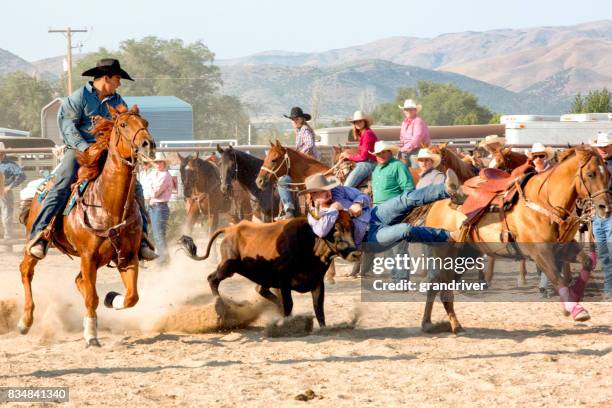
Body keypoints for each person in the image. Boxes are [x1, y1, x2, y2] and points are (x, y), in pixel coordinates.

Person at [27, 58, 157, 260]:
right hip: (79, 151)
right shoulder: (78, 98)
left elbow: (125, 126)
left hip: (107, 152)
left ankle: (142, 239)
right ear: (106, 78)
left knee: (135, 187)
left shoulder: (117, 101)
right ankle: (40, 235)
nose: (119, 83)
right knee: (62, 183)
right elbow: (67, 127)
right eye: (117, 79)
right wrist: (85, 148)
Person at [301, 173, 371, 247]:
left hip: (373, 214)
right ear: (313, 194)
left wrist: (358, 203)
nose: (328, 192)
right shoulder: (314, 214)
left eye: (328, 188)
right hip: (367, 237)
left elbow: (363, 195)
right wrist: (333, 209)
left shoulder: (337, 191)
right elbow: (321, 231)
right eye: (323, 191)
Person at [278, 106, 319, 219]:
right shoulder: (301, 130)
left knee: (283, 180)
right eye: (293, 119)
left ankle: (289, 209)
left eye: (296, 119)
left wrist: (298, 155)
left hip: (306, 166)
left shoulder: (304, 129)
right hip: (306, 164)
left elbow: (309, 144)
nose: (294, 121)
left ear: (302, 119)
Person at [526, 143, 556, 297]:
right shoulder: (528, 172)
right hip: (533, 217)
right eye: (535, 156)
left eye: (541, 156)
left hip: (551, 215)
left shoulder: (553, 173)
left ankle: (544, 284)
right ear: (531, 158)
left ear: (546, 157)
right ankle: (543, 283)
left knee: (550, 251)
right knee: (540, 253)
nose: (538, 159)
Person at [591, 132, 612, 299]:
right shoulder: (595, 166)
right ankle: (608, 287)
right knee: (604, 253)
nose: (603, 149)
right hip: (598, 215)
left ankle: (609, 288)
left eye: (606, 146)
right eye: (600, 146)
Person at [149, 153, 177, 264]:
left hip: (160, 207)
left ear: (164, 163)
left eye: (160, 162)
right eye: (156, 162)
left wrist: (150, 186)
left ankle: (163, 260)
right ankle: (164, 259)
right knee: (157, 235)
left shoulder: (165, 175)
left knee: (159, 235)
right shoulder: (156, 174)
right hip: (156, 207)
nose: (158, 164)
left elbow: (155, 192)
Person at [339, 111, 378, 188]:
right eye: (356, 122)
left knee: (347, 186)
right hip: (367, 162)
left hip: (368, 163)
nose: (358, 123)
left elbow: (363, 157)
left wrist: (348, 156)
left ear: (365, 122)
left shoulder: (367, 134)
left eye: (360, 121)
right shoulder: (364, 133)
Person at [370, 141, 414, 206]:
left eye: (383, 152)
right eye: (378, 154)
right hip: (376, 208)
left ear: (390, 152)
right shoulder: (376, 169)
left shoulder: (398, 166)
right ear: (376, 156)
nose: (381, 155)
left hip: (392, 207)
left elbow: (408, 189)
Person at [0, 142, 26, 240]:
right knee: (6, 215)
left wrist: (10, 186)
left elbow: (22, 175)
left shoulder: (10, 164)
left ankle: (8, 240)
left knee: (6, 216)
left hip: (5, 191)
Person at [398, 99, 430, 168]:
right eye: (406, 109)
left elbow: (417, 138)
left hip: (418, 150)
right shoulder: (404, 122)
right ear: (404, 111)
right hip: (406, 151)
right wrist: (402, 147)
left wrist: (404, 149)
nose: (408, 111)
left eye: (411, 109)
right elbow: (402, 137)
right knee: (402, 171)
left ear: (415, 110)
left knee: (416, 172)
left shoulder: (418, 121)